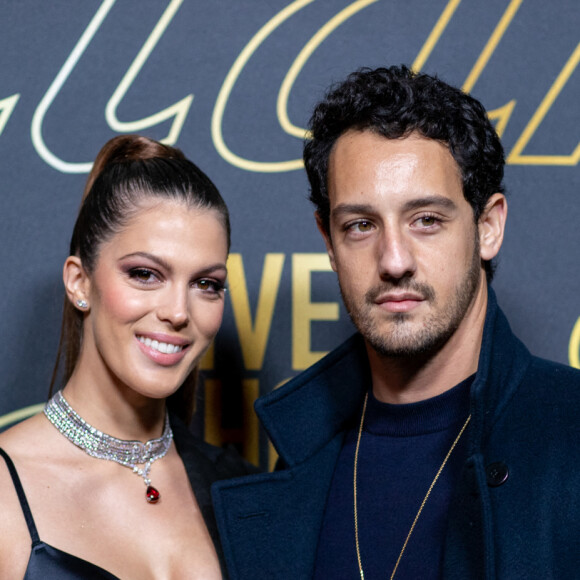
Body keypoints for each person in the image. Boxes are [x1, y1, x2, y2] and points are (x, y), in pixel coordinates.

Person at [212, 66, 580, 579]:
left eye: (426, 220)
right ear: (329, 242)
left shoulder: (570, 431)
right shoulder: (302, 459)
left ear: (488, 226)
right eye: (361, 225)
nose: (393, 260)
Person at [0, 134, 256, 579]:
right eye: (145, 274)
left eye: (206, 284)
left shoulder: (240, 487)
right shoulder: (5, 487)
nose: (178, 312)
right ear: (80, 282)